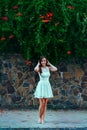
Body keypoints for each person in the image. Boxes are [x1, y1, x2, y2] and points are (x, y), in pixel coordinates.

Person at [34, 56, 57, 124]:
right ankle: (39, 118)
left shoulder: (48, 68)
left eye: (45, 60)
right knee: (42, 103)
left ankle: (43, 119)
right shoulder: (39, 68)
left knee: (45, 103)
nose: (44, 62)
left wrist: (49, 63)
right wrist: (38, 63)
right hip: (41, 85)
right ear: (40, 61)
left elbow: (55, 69)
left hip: (47, 85)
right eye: (42, 61)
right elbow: (35, 69)